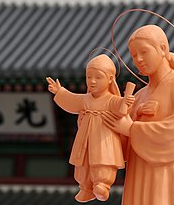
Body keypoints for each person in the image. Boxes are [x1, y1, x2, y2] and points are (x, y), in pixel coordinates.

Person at [102, 25, 174, 205]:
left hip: (172, 174)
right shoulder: (138, 96)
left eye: (144, 51)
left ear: (163, 49)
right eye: (134, 55)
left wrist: (132, 128)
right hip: (140, 172)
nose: (139, 59)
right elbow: (123, 144)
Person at [46, 54, 135, 203]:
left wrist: (126, 101)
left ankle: (102, 184)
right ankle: (85, 187)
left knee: (103, 161)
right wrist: (59, 91)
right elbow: (71, 100)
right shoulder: (85, 99)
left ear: (110, 79)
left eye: (98, 77)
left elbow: (121, 109)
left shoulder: (111, 99)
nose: (92, 81)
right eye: (89, 77)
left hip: (104, 138)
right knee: (83, 163)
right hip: (85, 138)